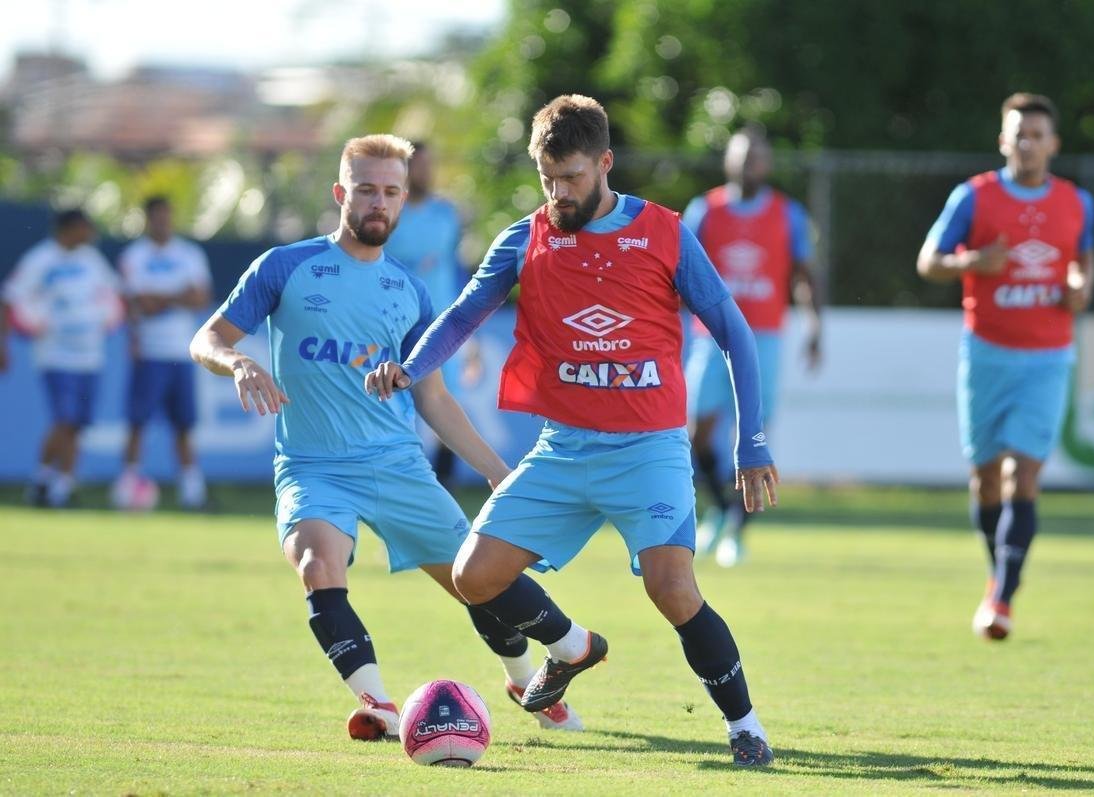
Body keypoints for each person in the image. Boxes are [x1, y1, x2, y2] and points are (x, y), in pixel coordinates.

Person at [367, 95, 779, 767]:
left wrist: (750, 437)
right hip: (564, 448)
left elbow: (733, 331)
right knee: (474, 576)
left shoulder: (664, 232)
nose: (559, 192)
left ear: (606, 163)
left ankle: (746, 727)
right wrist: (411, 370)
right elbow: (463, 314)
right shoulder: (524, 238)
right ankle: (570, 647)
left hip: (648, 450)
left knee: (672, 589)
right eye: (548, 177)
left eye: (573, 177)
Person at [189, 134, 582, 740]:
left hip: (396, 467)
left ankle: (526, 677)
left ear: (404, 199)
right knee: (319, 566)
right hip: (313, 468)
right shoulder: (285, 267)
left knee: (480, 586)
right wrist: (238, 362)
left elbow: (434, 397)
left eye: (391, 191)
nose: (380, 202)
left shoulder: (410, 293)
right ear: (340, 193)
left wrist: (497, 471)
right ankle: (379, 704)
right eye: (367, 189)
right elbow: (207, 339)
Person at [917, 92, 1094, 641]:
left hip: (1047, 355)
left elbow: (1083, 263)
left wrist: (1079, 288)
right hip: (987, 353)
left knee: (1026, 470)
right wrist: (971, 262)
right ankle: (1000, 571)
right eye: (1019, 133)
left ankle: (1002, 598)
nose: (1028, 143)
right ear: (1003, 140)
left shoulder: (1077, 202)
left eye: (1038, 135)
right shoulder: (973, 197)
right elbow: (928, 262)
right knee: (986, 477)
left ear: (1053, 144)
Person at [683, 124, 821, 567]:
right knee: (693, 431)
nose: (748, 164)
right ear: (729, 161)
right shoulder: (705, 210)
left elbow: (802, 274)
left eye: (756, 156)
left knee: (753, 436)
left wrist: (815, 324)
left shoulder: (788, 213)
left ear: (767, 164)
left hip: (763, 339)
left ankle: (737, 532)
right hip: (712, 337)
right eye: (741, 156)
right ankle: (721, 510)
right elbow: (676, 271)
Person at [0, 208, 123, 507]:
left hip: (90, 355)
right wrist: (3, 343)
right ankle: (42, 480)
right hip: (55, 355)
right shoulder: (40, 259)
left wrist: (106, 319)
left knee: (78, 424)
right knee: (64, 418)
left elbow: (112, 295)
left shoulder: (92, 261)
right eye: (85, 228)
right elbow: (10, 299)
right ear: (69, 229)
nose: (90, 234)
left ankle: (62, 488)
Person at [382, 142, 475, 488]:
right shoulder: (387, 214)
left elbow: (457, 270)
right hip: (392, 326)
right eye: (417, 165)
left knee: (445, 403)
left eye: (428, 164)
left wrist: (472, 333)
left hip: (442, 327)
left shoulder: (447, 214)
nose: (425, 172)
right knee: (397, 409)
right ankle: (402, 487)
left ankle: (442, 488)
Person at [112, 196, 212, 509]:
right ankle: (128, 485)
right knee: (137, 423)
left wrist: (161, 297)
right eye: (157, 216)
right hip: (149, 352)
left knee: (183, 425)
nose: (163, 222)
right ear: (147, 219)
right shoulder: (134, 256)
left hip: (182, 352)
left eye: (166, 215)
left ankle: (192, 493)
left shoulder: (189, 253)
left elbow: (200, 297)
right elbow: (141, 303)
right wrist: (176, 295)